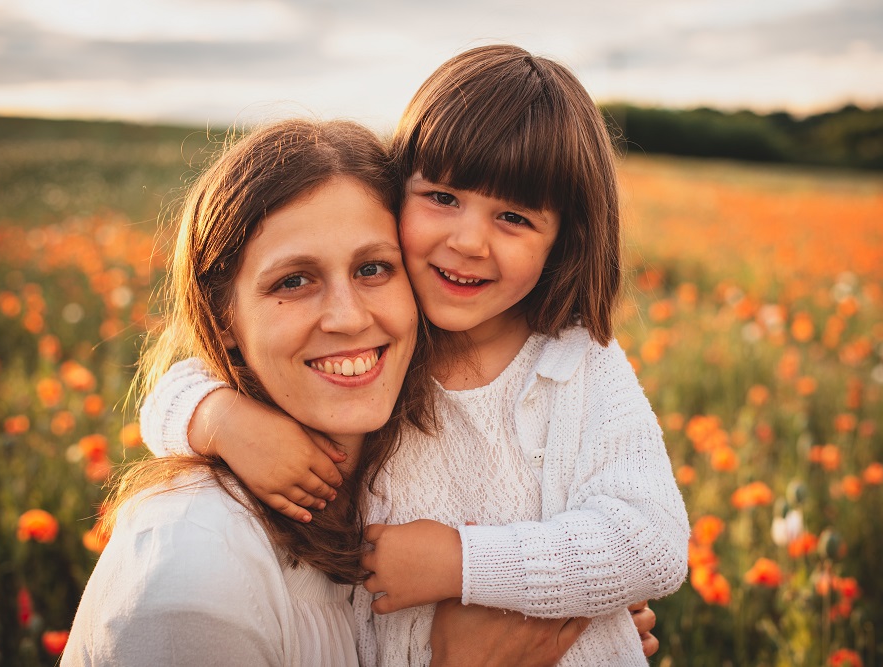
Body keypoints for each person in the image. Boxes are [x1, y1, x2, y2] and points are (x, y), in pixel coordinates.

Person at [141, 45, 689, 666]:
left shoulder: (577, 366)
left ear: (566, 238)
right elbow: (181, 382)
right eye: (443, 197)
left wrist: (458, 562)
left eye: (512, 217)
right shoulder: (389, 345)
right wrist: (223, 422)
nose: (468, 241)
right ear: (398, 190)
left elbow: (654, 544)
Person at [64, 118, 588, 666]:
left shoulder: (421, 464)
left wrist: (584, 624)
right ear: (223, 319)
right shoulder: (195, 575)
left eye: (373, 268)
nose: (346, 317)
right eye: (294, 280)